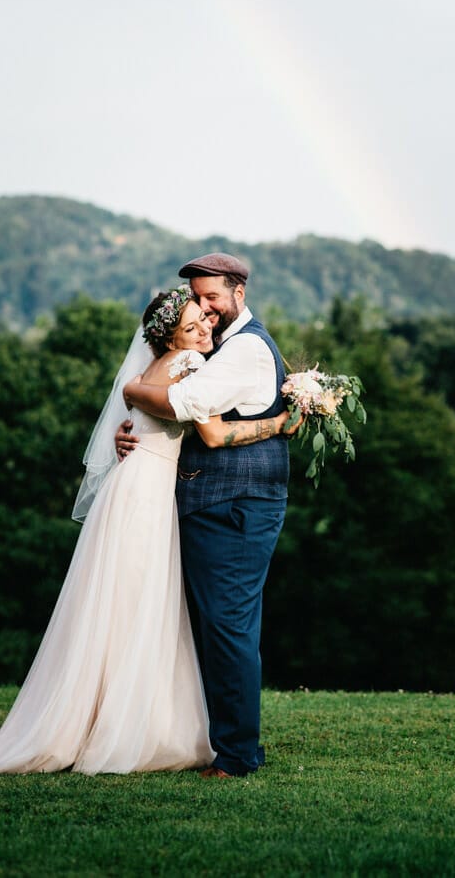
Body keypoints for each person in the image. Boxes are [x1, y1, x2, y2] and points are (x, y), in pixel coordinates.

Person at [0, 285, 291, 775]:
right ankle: (122, 729)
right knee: (137, 606)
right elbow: (210, 432)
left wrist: (133, 405)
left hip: (141, 485)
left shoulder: (161, 365)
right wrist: (282, 421)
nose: (205, 326)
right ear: (171, 336)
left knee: (124, 605)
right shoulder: (189, 365)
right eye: (192, 324)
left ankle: (113, 719)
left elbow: (141, 406)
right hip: (146, 493)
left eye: (205, 318)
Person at [117, 252, 291, 779]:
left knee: (228, 627)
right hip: (216, 502)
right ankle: (225, 744)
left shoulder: (245, 350)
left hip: (232, 505)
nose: (206, 310)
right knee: (220, 627)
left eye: (212, 298)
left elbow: (189, 403)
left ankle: (236, 757)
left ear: (239, 291)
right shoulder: (228, 344)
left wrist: (130, 391)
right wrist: (134, 429)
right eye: (198, 300)